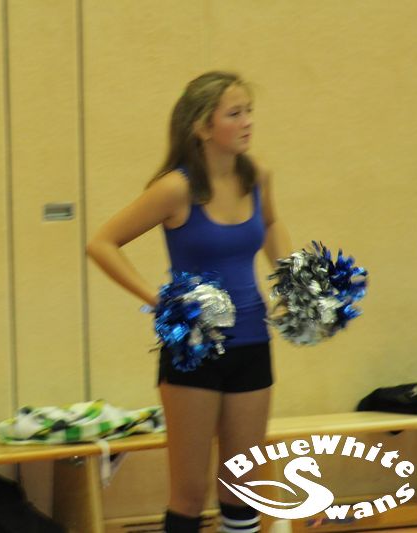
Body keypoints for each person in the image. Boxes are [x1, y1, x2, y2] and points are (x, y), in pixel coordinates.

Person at [87, 71, 292, 533]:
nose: (248, 122)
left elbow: (271, 224)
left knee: (243, 485)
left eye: (249, 111)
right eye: (235, 114)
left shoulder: (256, 176)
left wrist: (293, 283)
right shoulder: (176, 189)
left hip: (252, 340)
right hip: (194, 350)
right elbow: (101, 243)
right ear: (202, 126)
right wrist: (158, 300)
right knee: (189, 492)